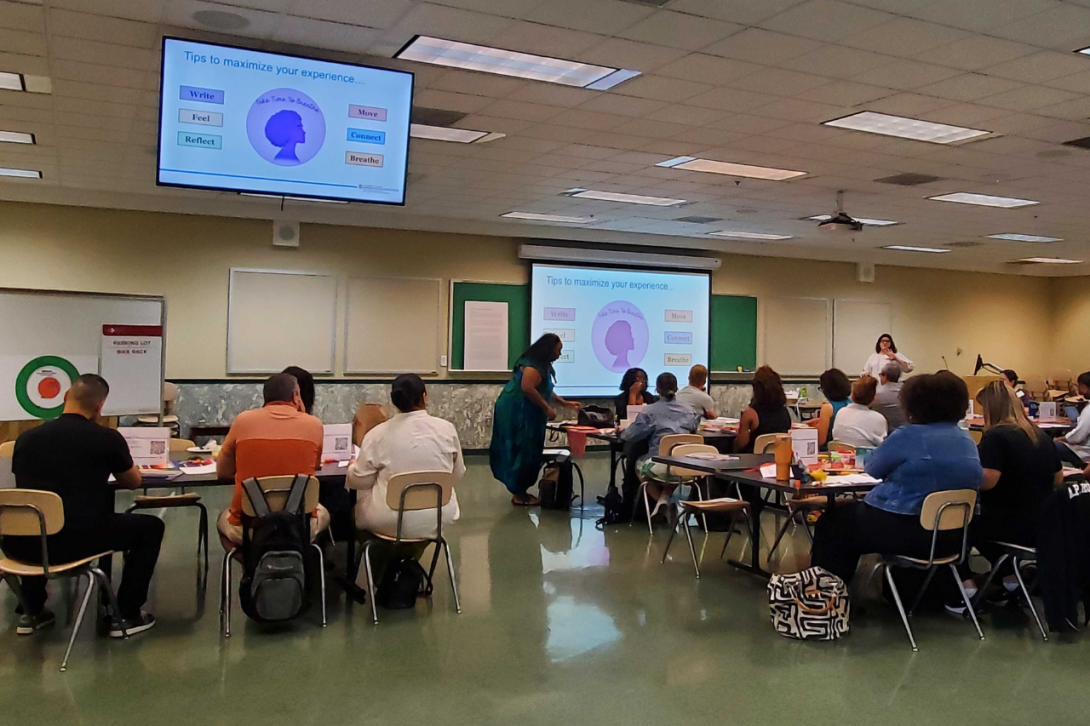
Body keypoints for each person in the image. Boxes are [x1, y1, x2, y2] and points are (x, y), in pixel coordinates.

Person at [2, 374, 162, 637]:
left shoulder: (26, 439)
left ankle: (32, 610)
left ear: (65, 397)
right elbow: (133, 481)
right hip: (79, 541)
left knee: (39, 523)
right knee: (150, 527)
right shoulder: (106, 438)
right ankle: (126, 614)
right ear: (99, 407)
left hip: (20, 545)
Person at [811, 372, 983, 584]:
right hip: (953, 536)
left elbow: (873, 468)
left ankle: (828, 592)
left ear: (914, 404)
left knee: (833, 523)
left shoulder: (909, 435)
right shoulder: (965, 438)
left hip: (907, 528)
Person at [948, 381, 1061, 611]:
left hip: (1011, 523)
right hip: (1043, 524)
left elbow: (988, 482)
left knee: (956, 528)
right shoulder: (1040, 435)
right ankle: (1011, 580)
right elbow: (1058, 479)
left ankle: (964, 586)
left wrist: (963, 473)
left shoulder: (996, 437)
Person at [348, 375, 463, 575]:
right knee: (417, 528)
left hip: (388, 521)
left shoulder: (377, 435)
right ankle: (408, 567)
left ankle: (383, 573)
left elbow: (359, 480)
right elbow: (457, 473)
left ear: (393, 400)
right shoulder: (447, 429)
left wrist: (352, 467)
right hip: (437, 515)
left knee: (354, 514)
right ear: (424, 397)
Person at [216, 373, 328, 546]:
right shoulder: (314, 425)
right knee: (324, 515)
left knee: (221, 521)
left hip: (250, 526)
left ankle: (251, 567)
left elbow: (223, 472)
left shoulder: (243, 421)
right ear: (295, 396)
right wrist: (304, 414)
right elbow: (314, 466)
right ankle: (306, 562)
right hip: (299, 526)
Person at [490, 333, 580, 506]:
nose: (559, 354)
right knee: (523, 449)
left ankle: (520, 490)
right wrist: (547, 408)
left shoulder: (541, 365)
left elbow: (543, 388)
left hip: (527, 410)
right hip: (517, 412)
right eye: (558, 350)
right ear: (548, 349)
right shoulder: (532, 366)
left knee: (529, 449)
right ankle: (519, 493)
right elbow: (528, 388)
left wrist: (563, 402)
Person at [619, 372, 701, 518]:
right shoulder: (690, 411)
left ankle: (663, 501)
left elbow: (630, 436)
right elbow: (693, 432)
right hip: (687, 466)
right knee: (674, 467)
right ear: (676, 388)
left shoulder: (650, 411)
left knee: (639, 465)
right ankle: (665, 497)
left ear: (657, 389)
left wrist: (621, 431)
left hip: (659, 464)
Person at [735, 366, 792, 453]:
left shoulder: (750, 414)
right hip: (779, 459)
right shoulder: (785, 412)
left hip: (754, 462)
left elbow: (741, 444)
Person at [832, 376, 888, 448]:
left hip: (840, 456)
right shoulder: (878, 418)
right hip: (865, 457)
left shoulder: (841, 412)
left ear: (852, 396)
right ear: (874, 398)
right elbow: (882, 446)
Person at [809, 368, 851, 449]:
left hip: (831, 449)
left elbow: (820, 440)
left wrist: (814, 428)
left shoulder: (827, 408)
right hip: (850, 448)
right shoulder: (852, 404)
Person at [1055, 371, 1090, 467]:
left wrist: (1060, 439)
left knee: (1048, 446)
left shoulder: (1088, 411)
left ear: (1084, 387)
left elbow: (1077, 437)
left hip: (1083, 453)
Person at [871, 361, 908, 432]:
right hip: (905, 431)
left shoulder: (876, 394)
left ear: (885, 377)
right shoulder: (907, 392)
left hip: (883, 431)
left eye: (881, 374)